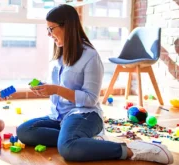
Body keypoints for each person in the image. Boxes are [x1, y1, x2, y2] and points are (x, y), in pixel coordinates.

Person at [16, 4, 173, 164]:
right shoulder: (59, 55)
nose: (48, 34)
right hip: (58, 116)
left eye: (51, 29)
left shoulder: (90, 56)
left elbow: (90, 99)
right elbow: (60, 86)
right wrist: (46, 88)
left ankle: (134, 149)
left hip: (84, 115)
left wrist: (56, 89)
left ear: (66, 26)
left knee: (68, 148)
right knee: (24, 131)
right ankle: (83, 140)